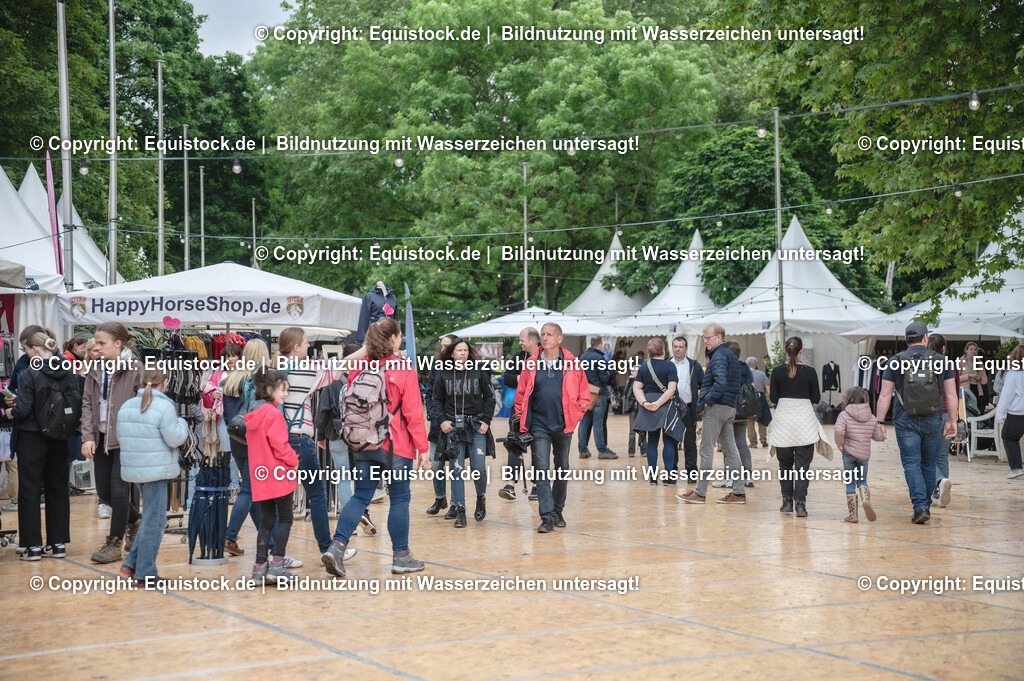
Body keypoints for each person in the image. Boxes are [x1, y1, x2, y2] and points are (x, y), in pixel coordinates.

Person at [321, 318, 430, 576]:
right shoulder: (404, 367)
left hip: (364, 443)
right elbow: (414, 413)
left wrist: (367, 349)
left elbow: (338, 373)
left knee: (361, 496)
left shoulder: (360, 365)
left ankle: (337, 547)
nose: (401, 339)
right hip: (396, 446)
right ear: (393, 339)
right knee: (400, 498)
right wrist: (423, 448)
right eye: (399, 335)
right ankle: (401, 556)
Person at [874, 322, 958, 524]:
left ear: (906, 340)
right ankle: (925, 506)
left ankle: (920, 506)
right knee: (929, 465)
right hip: (933, 419)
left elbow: (885, 394)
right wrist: (953, 421)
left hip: (905, 419)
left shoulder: (895, 361)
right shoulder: (941, 361)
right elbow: (951, 393)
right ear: (925, 338)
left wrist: (879, 421)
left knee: (911, 463)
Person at [513, 323, 589, 533]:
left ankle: (558, 510)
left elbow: (584, 393)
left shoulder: (573, 364)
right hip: (539, 425)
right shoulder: (531, 363)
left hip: (564, 424)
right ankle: (546, 516)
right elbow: (520, 396)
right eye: (543, 335)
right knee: (542, 469)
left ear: (559, 339)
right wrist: (521, 418)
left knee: (562, 468)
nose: (545, 338)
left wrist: (578, 412)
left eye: (549, 335)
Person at [9, 331, 78, 561]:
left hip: (32, 436)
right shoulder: (67, 371)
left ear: (36, 349)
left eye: (27, 349)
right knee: (58, 488)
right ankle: (57, 544)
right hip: (60, 436)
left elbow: (24, 409)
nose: (26, 354)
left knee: (29, 490)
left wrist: (11, 411)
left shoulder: (30, 373)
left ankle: (33, 547)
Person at [116, 368, 189, 582]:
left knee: (150, 519)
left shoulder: (127, 405)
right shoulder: (164, 406)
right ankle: (145, 572)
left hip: (135, 470)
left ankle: (131, 564)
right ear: (165, 382)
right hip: (156, 471)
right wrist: (183, 424)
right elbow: (175, 438)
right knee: (155, 521)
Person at [82, 322, 143, 564]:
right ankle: (136, 520)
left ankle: (114, 542)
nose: (96, 348)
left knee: (119, 492)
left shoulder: (136, 368)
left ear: (118, 344)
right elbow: (87, 403)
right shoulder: (95, 368)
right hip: (101, 437)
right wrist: (87, 435)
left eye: (101, 343)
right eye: (95, 343)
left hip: (125, 438)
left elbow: (143, 404)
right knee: (104, 492)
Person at [678, 324, 746, 505]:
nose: (705, 340)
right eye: (704, 337)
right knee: (731, 451)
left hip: (716, 408)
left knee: (706, 450)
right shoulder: (729, 355)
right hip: (729, 408)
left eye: (708, 337)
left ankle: (700, 493)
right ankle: (738, 493)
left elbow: (720, 383)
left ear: (719, 337)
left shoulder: (719, 356)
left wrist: (707, 399)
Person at [431, 337, 495, 527]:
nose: (462, 353)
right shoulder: (443, 374)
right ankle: (460, 510)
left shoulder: (479, 371)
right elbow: (436, 400)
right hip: (453, 428)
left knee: (478, 468)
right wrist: (442, 421)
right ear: (452, 353)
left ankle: (480, 497)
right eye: (459, 350)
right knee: (456, 469)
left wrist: (486, 421)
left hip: (476, 426)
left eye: (465, 350)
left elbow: (490, 398)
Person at [245, 367, 299, 584]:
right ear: (269, 390)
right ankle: (277, 565)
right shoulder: (273, 413)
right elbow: (280, 444)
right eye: (282, 390)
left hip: (260, 474)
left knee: (266, 520)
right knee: (285, 518)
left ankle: (260, 568)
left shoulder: (253, 412)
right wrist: (294, 460)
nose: (285, 394)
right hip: (278, 473)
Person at [766, 336, 826, 517]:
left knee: (784, 465)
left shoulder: (776, 371)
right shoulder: (810, 371)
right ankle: (800, 505)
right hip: (804, 420)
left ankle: (786, 503)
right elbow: (815, 398)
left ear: (785, 351)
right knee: (802, 467)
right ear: (801, 351)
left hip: (783, 420)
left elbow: (774, 399)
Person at [222, 339, 270, 557]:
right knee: (250, 490)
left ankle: (265, 537)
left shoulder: (231, 379)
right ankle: (229, 536)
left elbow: (226, 415)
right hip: (251, 440)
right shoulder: (255, 380)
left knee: (251, 491)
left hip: (235, 439)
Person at [499, 327, 540, 501]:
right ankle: (510, 485)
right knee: (514, 444)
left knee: (539, 447)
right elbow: (506, 376)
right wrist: (522, 377)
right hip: (519, 408)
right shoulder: (518, 357)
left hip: (538, 408)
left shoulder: (545, 356)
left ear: (532, 341)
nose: (520, 342)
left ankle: (536, 486)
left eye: (522, 339)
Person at [632, 338, 679, 484]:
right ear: (663, 350)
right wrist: (659, 403)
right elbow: (672, 389)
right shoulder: (670, 366)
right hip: (666, 404)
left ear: (649, 351)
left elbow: (637, 387)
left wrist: (645, 403)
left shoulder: (644, 366)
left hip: (649, 405)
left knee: (652, 441)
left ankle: (652, 477)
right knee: (668, 441)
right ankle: (669, 476)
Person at [833, 386, 883, 523]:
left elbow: (838, 430)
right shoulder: (871, 417)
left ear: (849, 399)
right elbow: (877, 436)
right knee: (862, 481)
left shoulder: (844, 415)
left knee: (850, 483)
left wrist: (839, 443)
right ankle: (865, 499)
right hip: (864, 456)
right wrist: (883, 435)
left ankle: (853, 515)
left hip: (848, 453)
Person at [204, 344, 242, 502]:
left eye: (234, 356)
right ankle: (232, 486)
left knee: (241, 454)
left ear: (239, 357)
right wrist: (213, 394)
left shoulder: (243, 375)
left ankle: (238, 485)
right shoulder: (217, 376)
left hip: (242, 419)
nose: (231, 359)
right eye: (228, 356)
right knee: (227, 453)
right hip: (224, 418)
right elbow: (206, 400)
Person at [715, 341, 755, 489]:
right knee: (742, 443)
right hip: (743, 411)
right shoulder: (745, 367)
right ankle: (748, 476)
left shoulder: (724, 368)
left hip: (728, 410)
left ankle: (729, 477)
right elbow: (752, 387)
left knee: (727, 445)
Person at [424, 334, 457, 514]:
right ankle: (440, 498)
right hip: (437, 422)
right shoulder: (437, 366)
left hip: (455, 423)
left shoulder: (462, 367)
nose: (442, 349)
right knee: (436, 464)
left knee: (454, 464)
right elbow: (429, 394)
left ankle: (455, 503)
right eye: (442, 346)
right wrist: (432, 414)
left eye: (446, 346)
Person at [577, 336, 617, 460]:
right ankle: (602, 450)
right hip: (598, 394)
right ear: (599, 345)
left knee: (584, 422)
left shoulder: (582, 357)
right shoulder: (599, 358)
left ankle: (582, 450)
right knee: (598, 423)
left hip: (584, 394)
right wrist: (609, 372)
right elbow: (604, 378)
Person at [928, 334, 956, 507]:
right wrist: (955, 418)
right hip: (947, 413)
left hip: (931, 413)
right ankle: (941, 486)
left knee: (927, 456)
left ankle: (939, 482)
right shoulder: (950, 365)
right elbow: (954, 393)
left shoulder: (924, 365)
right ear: (944, 348)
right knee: (942, 455)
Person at [669, 337, 702, 481]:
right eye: (675, 346)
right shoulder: (666, 364)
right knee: (671, 442)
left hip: (688, 409)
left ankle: (691, 474)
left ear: (686, 348)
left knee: (690, 443)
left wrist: (700, 406)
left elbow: (704, 384)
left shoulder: (694, 365)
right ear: (672, 347)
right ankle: (671, 473)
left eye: (681, 347)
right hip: (671, 410)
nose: (677, 349)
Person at [996, 344, 1024, 479]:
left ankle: (1016, 467)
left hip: (1017, 413)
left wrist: (1000, 414)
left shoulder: (1013, 374)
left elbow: (1007, 396)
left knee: (1009, 437)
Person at [746, 357, 769, 448]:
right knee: (762, 420)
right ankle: (763, 438)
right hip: (761, 398)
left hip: (749, 399)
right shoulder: (762, 374)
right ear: (755, 364)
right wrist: (771, 399)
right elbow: (768, 387)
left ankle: (753, 442)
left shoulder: (745, 375)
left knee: (750, 421)